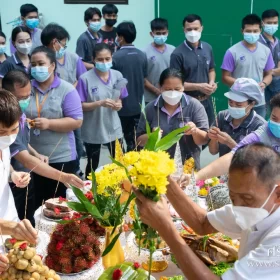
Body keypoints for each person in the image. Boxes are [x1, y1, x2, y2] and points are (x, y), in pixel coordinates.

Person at [135, 143, 280, 279]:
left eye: (247, 198)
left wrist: (165, 227)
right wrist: (163, 179)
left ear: (277, 194)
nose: (238, 206)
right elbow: (203, 223)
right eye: (233, 197)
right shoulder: (251, 209)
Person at [2, 70, 83, 225]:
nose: (25, 101)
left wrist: (35, 152)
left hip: (21, 178)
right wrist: (63, 176)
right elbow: (25, 160)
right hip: (13, 187)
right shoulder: (8, 121)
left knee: (27, 218)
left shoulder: (20, 115)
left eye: (28, 96)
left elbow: (19, 144)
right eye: (21, 98)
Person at [25, 46, 83, 209]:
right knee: (36, 204)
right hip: (31, 156)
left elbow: (76, 121)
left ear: (52, 65)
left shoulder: (67, 89)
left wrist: (49, 123)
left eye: (41, 63)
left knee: (58, 205)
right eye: (33, 64)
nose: (37, 68)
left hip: (60, 157)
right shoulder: (27, 87)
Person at [181, 92, 280, 185]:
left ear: (251, 104)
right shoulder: (263, 132)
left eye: (239, 104)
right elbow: (234, 155)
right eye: (274, 118)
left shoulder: (258, 122)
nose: (277, 124)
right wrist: (196, 176)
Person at [137, 68, 209, 169]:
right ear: (160, 87)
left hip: (188, 167)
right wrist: (151, 136)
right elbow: (139, 141)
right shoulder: (151, 108)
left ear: (183, 87)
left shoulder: (194, 106)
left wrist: (195, 131)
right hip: (158, 169)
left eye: (177, 89)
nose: (172, 93)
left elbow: (205, 139)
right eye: (168, 89)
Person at [41, 23, 87, 178]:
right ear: (55, 42)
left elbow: (83, 79)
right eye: (63, 43)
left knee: (76, 142)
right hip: (48, 109)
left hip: (70, 108)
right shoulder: (40, 61)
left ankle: (75, 170)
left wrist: (70, 88)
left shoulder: (73, 58)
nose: (64, 47)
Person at [77, 43, 127, 175]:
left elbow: (120, 97)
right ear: (93, 59)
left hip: (113, 127)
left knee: (120, 163)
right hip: (93, 129)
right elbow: (80, 106)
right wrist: (99, 103)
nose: (104, 62)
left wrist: (119, 104)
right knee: (93, 164)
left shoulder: (117, 75)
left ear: (112, 58)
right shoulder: (85, 79)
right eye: (100, 59)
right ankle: (90, 192)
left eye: (107, 59)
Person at [221, 14, 275, 118]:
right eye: (249, 31)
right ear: (242, 31)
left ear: (260, 30)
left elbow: (269, 74)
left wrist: (264, 83)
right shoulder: (232, 52)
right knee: (236, 131)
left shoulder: (266, 51)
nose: (252, 34)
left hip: (259, 102)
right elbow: (224, 77)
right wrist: (241, 84)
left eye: (255, 31)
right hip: (238, 102)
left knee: (258, 132)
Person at [170, 14, 217, 127]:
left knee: (210, 133)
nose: (193, 32)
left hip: (207, 101)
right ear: (184, 30)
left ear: (202, 28)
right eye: (189, 29)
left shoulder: (207, 48)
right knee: (190, 136)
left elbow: (211, 69)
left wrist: (211, 83)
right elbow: (175, 84)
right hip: (187, 103)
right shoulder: (177, 54)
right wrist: (199, 86)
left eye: (196, 29)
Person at [113, 21, 148, 152]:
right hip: (138, 107)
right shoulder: (142, 55)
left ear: (120, 37)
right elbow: (144, 78)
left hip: (120, 108)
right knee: (135, 142)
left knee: (118, 141)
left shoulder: (115, 57)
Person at [208, 78, 266, 157]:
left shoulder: (260, 126)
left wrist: (230, 143)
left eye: (239, 104)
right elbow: (213, 151)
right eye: (230, 102)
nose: (233, 106)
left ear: (252, 104)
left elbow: (254, 160)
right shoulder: (222, 116)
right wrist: (213, 139)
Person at [0, 89, 31, 221]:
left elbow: (4, 167)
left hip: (9, 216)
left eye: (14, 129)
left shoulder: (4, 145)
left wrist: (13, 175)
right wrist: (10, 228)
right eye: (1, 132)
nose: (8, 136)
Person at [143, 18, 175, 104]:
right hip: (151, 98)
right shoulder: (144, 52)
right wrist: (157, 91)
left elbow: (177, 73)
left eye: (163, 33)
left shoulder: (173, 50)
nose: (161, 36)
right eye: (158, 33)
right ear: (151, 34)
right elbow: (143, 78)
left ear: (168, 32)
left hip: (171, 96)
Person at [259, 9, 280, 114]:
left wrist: (268, 72)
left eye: (275, 23)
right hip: (261, 86)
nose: (272, 25)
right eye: (269, 23)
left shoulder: (278, 43)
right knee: (261, 117)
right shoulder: (256, 42)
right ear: (262, 23)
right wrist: (271, 72)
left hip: (277, 87)